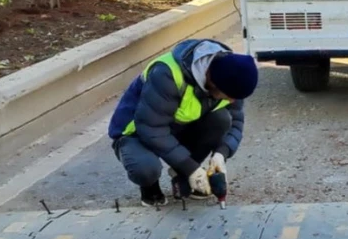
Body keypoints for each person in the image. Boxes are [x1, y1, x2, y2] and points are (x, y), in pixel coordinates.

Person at [108, 39, 258, 207]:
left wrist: (221, 154)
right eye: (229, 95)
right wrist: (191, 167)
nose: (232, 101)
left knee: (221, 120)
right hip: (138, 131)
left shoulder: (231, 77)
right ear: (212, 81)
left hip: (176, 126)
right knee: (146, 169)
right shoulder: (167, 74)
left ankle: (183, 177)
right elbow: (152, 129)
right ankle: (150, 186)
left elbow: (236, 122)